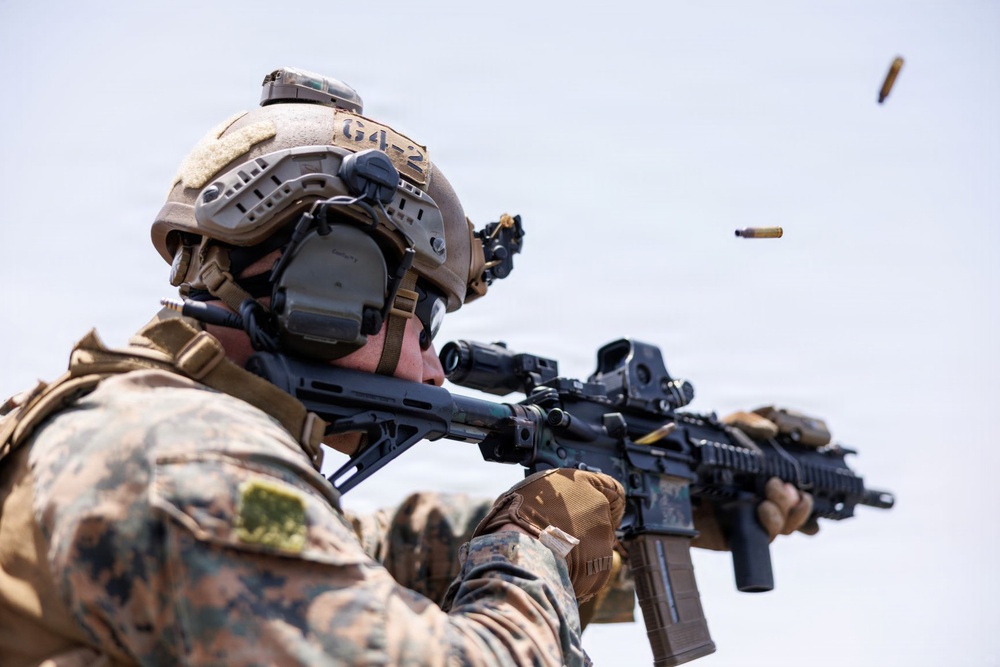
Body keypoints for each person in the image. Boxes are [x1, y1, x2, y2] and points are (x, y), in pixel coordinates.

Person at [0, 67, 813, 667]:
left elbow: (351, 550)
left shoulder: (151, 430)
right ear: (333, 282)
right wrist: (535, 545)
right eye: (424, 320)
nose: (431, 369)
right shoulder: (182, 456)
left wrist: (639, 514)